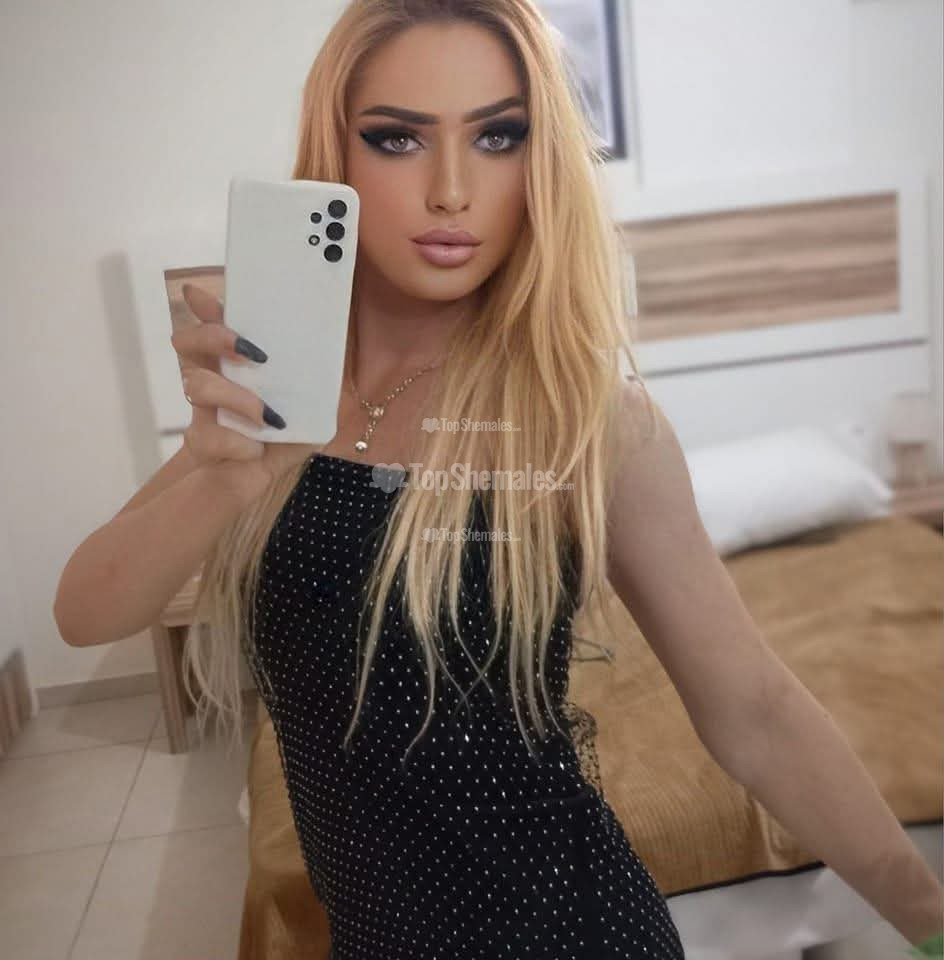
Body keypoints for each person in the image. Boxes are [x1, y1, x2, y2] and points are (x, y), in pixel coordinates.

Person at [54, 1, 943, 957]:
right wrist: (221, 478)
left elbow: (756, 712)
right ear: (335, 157)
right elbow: (86, 615)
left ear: (541, 162)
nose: (450, 191)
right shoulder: (271, 393)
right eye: (397, 138)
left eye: (498, 136)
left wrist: (929, 922)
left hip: (571, 932)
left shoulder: (587, 420)